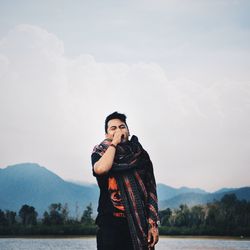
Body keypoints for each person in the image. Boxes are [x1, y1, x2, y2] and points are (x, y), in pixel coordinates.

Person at [91, 111, 160, 250]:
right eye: (113, 128)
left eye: (122, 127)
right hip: (110, 226)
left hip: (138, 224)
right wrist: (114, 143)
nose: (118, 130)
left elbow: (151, 190)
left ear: (128, 131)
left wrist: (153, 224)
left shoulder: (141, 155)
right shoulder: (100, 152)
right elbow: (101, 169)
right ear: (106, 135)